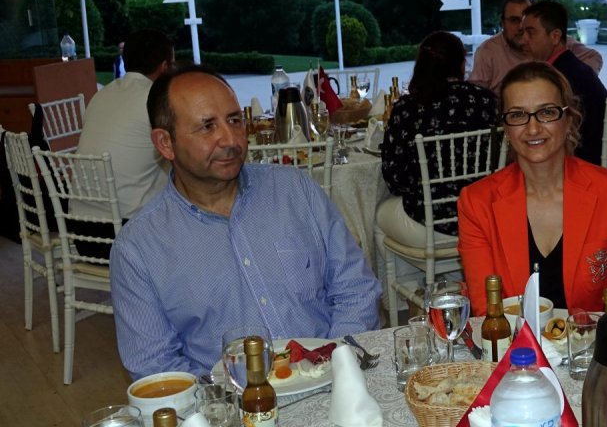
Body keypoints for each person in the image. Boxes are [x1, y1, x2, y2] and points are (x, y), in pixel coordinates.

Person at [110, 65, 381, 379]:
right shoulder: (139, 249)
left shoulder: (295, 191)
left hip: (333, 378)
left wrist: (338, 364)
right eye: (207, 126)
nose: (230, 139)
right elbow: (155, 367)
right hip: (230, 402)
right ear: (165, 143)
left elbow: (356, 288)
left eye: (234, 120)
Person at [457, 61, 607, 317]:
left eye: (546, 112)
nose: (533, 128)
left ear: (568, 119)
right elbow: (486, 311)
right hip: (514, 341)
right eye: (518, 115)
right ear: (506, 128)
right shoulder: (477, 203)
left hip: (594, 339)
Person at [378, 31, 497, 246]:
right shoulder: (487, 100)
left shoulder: (408, 108)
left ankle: (422, 267)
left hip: (430, 222)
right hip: (484, 214)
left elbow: (395, 180)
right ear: (462, 64)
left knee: (376, 216)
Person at [72, 29, 174, 259]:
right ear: (164, 66)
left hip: (83, 233)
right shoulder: (156, 100)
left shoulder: (101, 95)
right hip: (129, 239)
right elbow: (188, 156)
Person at [519, 0, 607, 166]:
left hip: (579, 162)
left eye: (530, 33)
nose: (523, 40)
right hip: (594, 154)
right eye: (522, 33)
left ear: (555, 37)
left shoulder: (560, 79)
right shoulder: (573, 67)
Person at [470, 0, 603, 93]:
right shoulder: (488, 50)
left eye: (530, 29)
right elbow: (476, 95)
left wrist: (565, 86)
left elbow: (593, 58)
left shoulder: (556, 41)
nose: (520, 27)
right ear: (502, 23)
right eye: (514, 20)